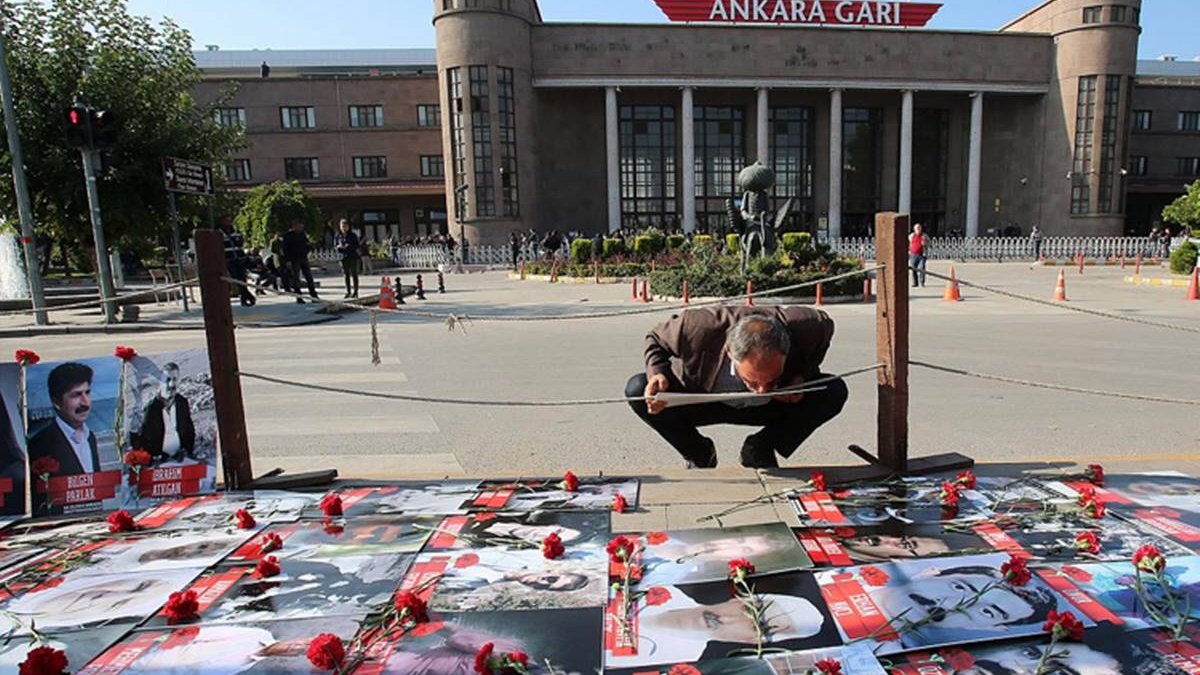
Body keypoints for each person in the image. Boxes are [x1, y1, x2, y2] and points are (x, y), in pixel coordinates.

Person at [626, 307, 846, 469]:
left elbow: (824, 332)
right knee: (638, 389)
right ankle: (699, 453)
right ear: (731, 353)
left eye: (770, 380)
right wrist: (657, 374)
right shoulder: (696, 326)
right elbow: (654, 338)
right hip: (702, 401)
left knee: (833, 391)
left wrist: (800, 377)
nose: (760, 390)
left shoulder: (808, 326)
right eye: (752, 381)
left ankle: (760, 448)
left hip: (770, 407)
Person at [619, 584, 825, 667]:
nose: (728, 619)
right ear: (739, 599)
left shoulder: (678, 664)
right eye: (748, 609)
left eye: (757, 628)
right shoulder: (663, 589)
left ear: (753, 642)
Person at [28, 362, 99, 477]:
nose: (85, 402)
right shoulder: (40, 444)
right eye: (76, 395)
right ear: (56, 402)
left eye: (87, 392)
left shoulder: (90, 437)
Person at [135, 362, 195, 464]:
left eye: (174, 379)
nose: (171, 384)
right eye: (167, 380)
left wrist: (188, 450)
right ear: (160, 381)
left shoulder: (182, 403)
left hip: (182, 459)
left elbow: (189, 430)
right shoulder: (152, 408)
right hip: (160, 462)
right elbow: (146, 438)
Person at [217, 217, 256, 307]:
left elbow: (240, 242)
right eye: (226, 220)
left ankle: (245, 298)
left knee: (242, 278)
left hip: (239, 257)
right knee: (236, 278)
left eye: (229, 221)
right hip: (229, 258)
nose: (229, 222)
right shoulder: (219, 232)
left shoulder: (235, 231)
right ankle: (248, 296)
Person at [281, 219, 319, 303]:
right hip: (294, 259)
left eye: (302, 227)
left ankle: (313, 295)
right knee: (296, 279)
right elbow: (285, 249)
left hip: (303, 258)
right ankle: (299, 297)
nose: (301, 228)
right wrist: (287, 260)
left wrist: (310, 247)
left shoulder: (302, 235)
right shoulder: (288, 236)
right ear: (294, 226)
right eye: (299, 227)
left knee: (309, 277)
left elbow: (306, 245)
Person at [333, 219, 361, 299]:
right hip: (343, 257)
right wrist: (339, 247)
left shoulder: (352, 235)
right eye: (342, 226)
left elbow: (356, 245)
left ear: (348, 227)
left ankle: (355, 291)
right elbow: (335, 246)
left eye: (345, 226)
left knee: (354, 274)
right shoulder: (338, 236)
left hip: (352, 256)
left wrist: (348, 246)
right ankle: (348, 291)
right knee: (346, 275)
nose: (344, 228)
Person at [909, 222, 930, 287]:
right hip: (913, 255)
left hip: (922, 255)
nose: (918, 229)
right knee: (913, 269)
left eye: (919, 227)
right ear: (914, 229)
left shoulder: (924, 236)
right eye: (917, 228)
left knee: (921, 268)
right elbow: (909, 243)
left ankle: (922, 282)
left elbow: (929, 243)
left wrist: (925, 243)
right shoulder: (911, 236)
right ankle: (915, 283)